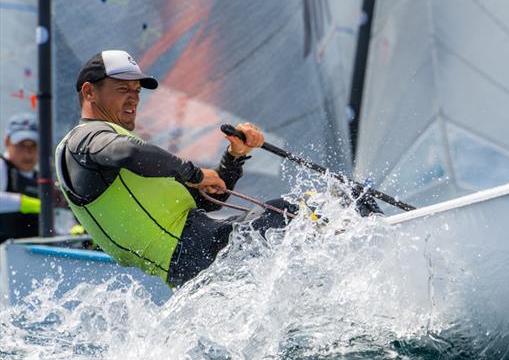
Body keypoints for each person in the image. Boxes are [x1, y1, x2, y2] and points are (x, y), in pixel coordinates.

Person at [55, 50, 305, 287]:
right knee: (299, 210)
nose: (133, 97)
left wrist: (234, 157)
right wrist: (194, 173)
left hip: (197, 257)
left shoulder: (122, 160)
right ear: (89, 92)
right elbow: (127, 152)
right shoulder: (84, 139)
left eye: (137, 90)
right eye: (123, 88)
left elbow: (210, 202)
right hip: (196, 250)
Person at [1, 113, 40, 242]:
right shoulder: (2, 166)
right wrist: (25, 203)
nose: (27, 152)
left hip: (32, 254)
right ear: (7, 142)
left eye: (33, 145)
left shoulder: (42, 177)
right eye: (21, 144)